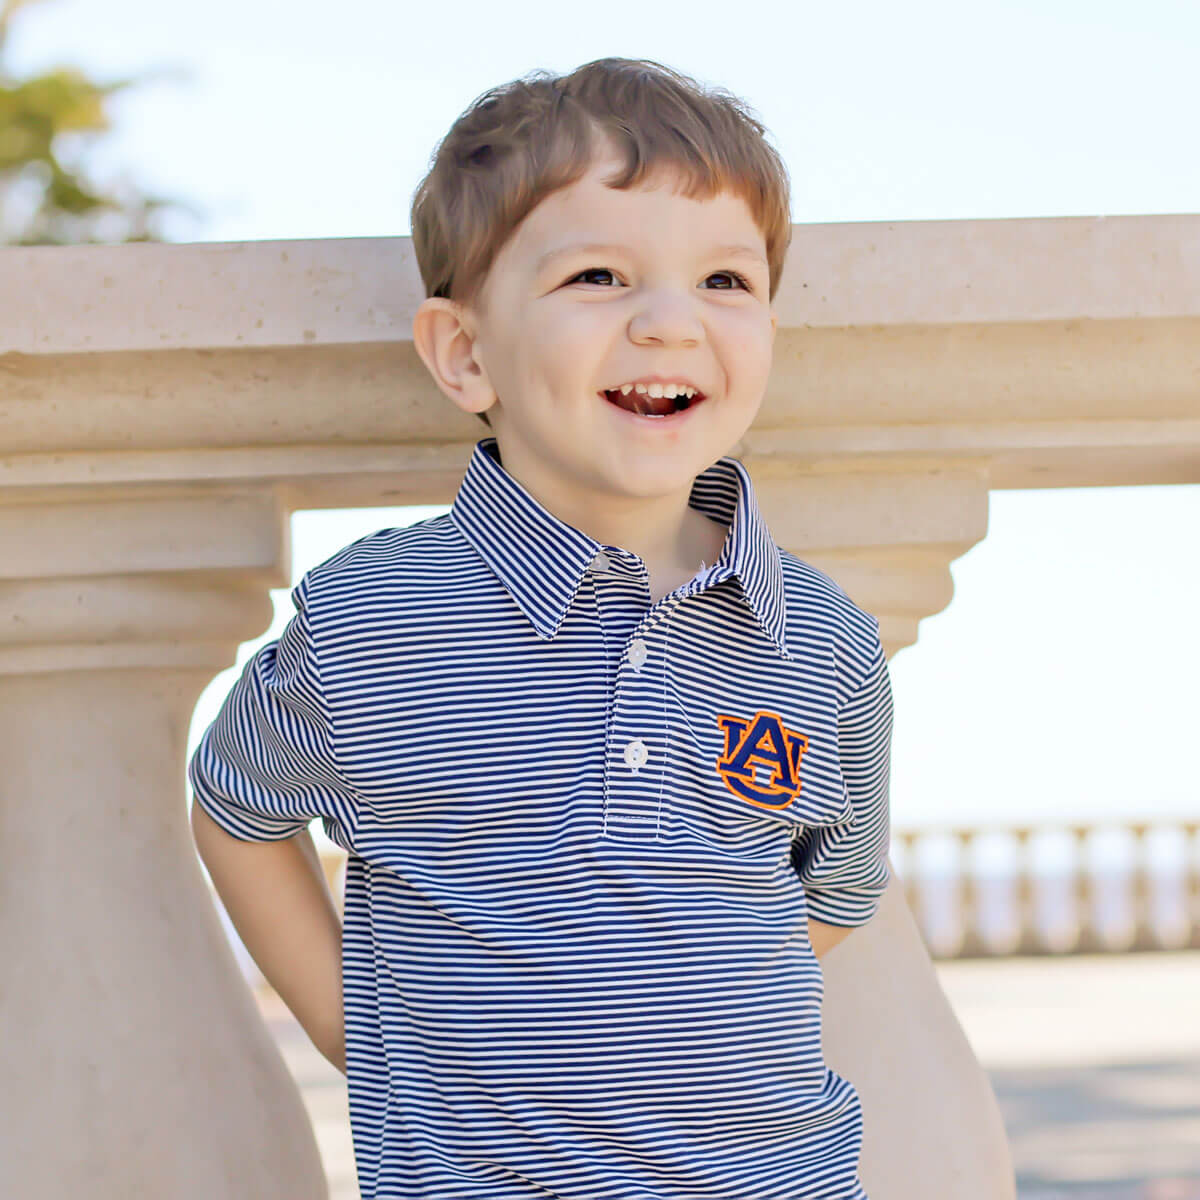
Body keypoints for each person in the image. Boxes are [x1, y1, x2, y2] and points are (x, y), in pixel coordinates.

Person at [189, 56, 894, 1200]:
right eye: (603, 275)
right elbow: (235, 810)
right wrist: (360, 1039)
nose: (671, 322)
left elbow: (839, 889)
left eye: (725, 279)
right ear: (466, 354)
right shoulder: (372, 620)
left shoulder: (823, 639)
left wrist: (665, 1023)